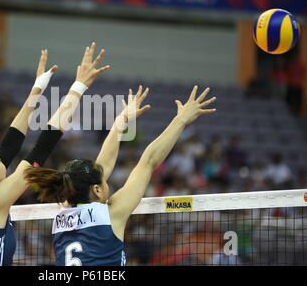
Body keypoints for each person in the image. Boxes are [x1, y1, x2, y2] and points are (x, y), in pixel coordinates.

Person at [0, 43, 110, 266]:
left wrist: (37, 89)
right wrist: (78, 88)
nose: (2, 157)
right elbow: (43, 146)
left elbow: (10, 144)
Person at [25, 85, 216, 266]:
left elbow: (100, 169)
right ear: (96, 189)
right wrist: (180, 120)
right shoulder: (110, 214)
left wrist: (120, 122)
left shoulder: (62, 213)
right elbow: (148, 162)